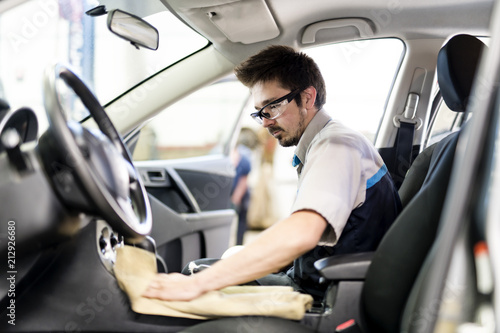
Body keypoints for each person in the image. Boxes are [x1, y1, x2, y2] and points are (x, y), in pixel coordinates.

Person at [143, 45, 402, 301]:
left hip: (324, 296)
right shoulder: (327, 142)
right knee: (225, 260)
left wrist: (198, 284)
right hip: (317, 280)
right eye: (260, 112)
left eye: (272, 107)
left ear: (308, 97)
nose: (265, 121)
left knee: (194, 273)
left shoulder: (335, 146)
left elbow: (303, 232)